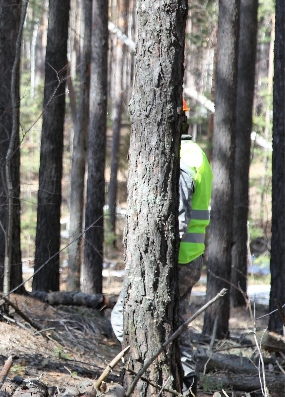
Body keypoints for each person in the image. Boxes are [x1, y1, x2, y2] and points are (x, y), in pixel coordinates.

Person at [110, 99, 212, 390]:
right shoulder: (197, 154)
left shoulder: (179, 157)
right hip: (191, 257)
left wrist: (160, 262)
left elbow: (179, 216)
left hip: (174, 259)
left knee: (122, 317)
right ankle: (187, 382)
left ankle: (149, 374)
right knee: (177, 326)